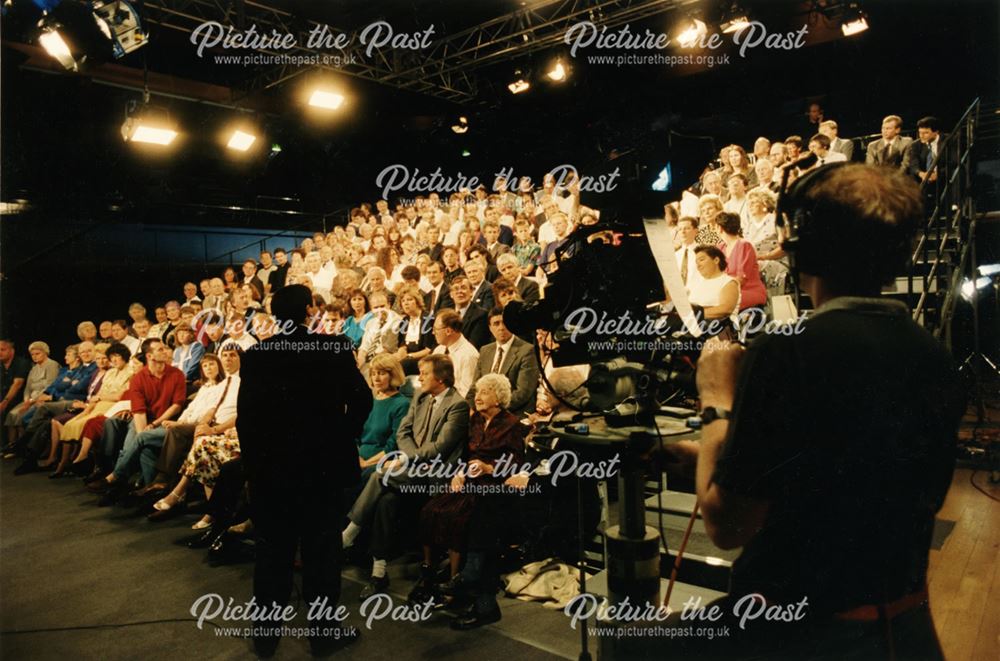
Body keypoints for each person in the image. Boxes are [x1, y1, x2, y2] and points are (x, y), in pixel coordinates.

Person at [650, 163, 964, 659]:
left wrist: (716, 400)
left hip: (801, 634)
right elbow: (845, 466)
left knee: (634, 642)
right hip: (904, 630)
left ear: (803, 247)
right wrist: (712, 455)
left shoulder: (787, 350)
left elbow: (727, 526)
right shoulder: (935, 356)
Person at [237, 285, 371, 657]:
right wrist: (339, 437)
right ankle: (323, 635)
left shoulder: (257, 356)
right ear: (310, 310)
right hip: (322, 473)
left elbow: (245, 422)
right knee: (321, 557)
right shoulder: (334, 349)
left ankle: (265, 638)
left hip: (272, 475)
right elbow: (363, 400)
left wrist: (255, 468)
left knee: (271, 556)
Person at [342, 354, 470, 600]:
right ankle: (379, 571)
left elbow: (440, 448)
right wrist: (410, 457)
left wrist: (408, 458)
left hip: (435, 473)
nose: (419, 377)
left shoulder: (458, 405)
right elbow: (404, 431)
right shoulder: (421, 397)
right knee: (386, 500)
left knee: (381, 471)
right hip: (411, 469)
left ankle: (350, 532)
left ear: (441, 378)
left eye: (425, 373)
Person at [411, 373, 526, 617]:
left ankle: (456, 582)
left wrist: (489, 467)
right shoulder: (474, 422)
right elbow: (465, 455)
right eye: (477, 392)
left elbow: (516, 462)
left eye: (485, 392)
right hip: (469, 478)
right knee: (431, 510)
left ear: (499, 397)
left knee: (456, 516)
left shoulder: (512, 423)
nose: (478, 397)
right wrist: (459, 473)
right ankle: (428, 574)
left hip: (494, 483)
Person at [468, 308, 538, 416]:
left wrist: (492, 407)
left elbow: (523, 393)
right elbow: (474, 387)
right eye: (496, 324)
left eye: (505, 323)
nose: (501, 327)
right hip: (484, 412)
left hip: (513, 413)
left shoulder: (527, 350)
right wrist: (473, 407)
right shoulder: (485, 350)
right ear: (490, 328)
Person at [355, 354, 410, 482]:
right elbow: (356, 435)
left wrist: (366, 463)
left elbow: (393, 444)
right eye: (373, 374)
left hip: (380, 461)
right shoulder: (369, 400)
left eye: (381, 373)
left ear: (393, 375)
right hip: (358, 458)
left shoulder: (402, 404)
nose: (376, 378)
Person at [716, 212, 768, 316]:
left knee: (714, 301)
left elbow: (742, 279)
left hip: (748, 291)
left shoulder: (744, 245)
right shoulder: (720, 247)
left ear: (719, 228)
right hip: (729, 292)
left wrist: (721, 290)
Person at [687, 246, 739, 335]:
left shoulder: (728, 282)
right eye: (696, 262)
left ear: (716, 260)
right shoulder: (696, 284)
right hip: (693, 327)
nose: (698, 265)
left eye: (702, 260)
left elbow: (726, 309)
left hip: (717, 330)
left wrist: (695, 314)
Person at [431, 309, 480, 398]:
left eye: (436, 329)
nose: (433, 332)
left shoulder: (469, 355)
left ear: (448, 331)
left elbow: (467, 392)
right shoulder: (439, 350)